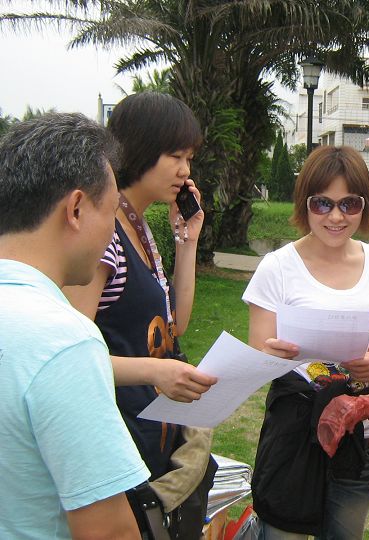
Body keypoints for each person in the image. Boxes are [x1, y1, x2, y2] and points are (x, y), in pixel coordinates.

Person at [64, 92, 218, 539]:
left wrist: (187, 241)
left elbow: (175, 325)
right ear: (140, 147)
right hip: (116, 446)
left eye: (189, 159)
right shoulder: (105, 236)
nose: (185, 171)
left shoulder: (139, 227)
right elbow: (71, 356)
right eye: (175, 156)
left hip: (149, 440)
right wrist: (155, 371)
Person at [242, 145, 369, 539]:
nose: (336, 217)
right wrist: (270, 354)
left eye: (349, 204)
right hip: (295, 432)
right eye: (322, 204)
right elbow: (256, 358)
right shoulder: (277, 267)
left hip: (359, 434)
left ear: (365, 206)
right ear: (305, 204)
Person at [0, 113, 150, 539]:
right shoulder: (63, 341)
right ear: (77, 209)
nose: (112, 231)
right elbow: (108, 531)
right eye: (112, 211)